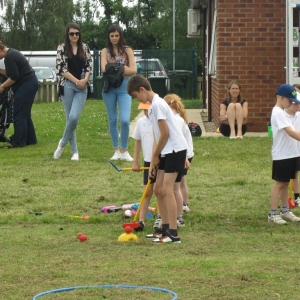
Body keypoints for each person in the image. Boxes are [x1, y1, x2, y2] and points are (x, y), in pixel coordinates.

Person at [127, 75, 188, 243]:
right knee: (158, 190)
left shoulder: (159, 104)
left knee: (167, 190)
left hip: (175, 149)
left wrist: (155, 155)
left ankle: (174, 234)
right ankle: (164, 229)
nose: (136, 99)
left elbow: (166, 133)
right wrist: (155, 158)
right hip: (165, 151)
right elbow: (157, 134)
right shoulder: (153, 106)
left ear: (142, 89)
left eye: (135, 96)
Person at [53, 22, 92, 161]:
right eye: (71, 33)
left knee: (74, 117)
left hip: (82, 86)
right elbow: (61, 69)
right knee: (70, 118)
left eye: (77, 33)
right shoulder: (62, 48)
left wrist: (85, 80)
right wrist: (76, 81)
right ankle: (75, 152)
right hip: (68, 85)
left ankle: (62, 144)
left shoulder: (85, 47)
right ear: (67, 35)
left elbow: (89, 66)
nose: (74, 36)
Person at [101, 24, 137, 162]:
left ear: (120, 36)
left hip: (124, 87)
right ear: (109, 37)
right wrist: (122, 68)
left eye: (117, 35)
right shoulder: (104, 51)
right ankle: (116, 150)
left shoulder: (128, 50)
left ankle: (125, 150)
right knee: (113, 119)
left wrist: (113, 68)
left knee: (125, 120)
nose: (114, 38)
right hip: (109, 88)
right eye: (112, 36)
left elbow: (133, 70)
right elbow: (104, 68)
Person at [269, 84, 300, 224]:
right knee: (279, 184)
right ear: (282, 98)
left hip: (291, 153)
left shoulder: (283, 112)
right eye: (290, 100)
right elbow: (291, 132)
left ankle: (285, 210)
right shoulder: (278, 112)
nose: (292, 103)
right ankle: (273, 213)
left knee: (286, 183)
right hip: (282, 155)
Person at [0, 40, 38, 148]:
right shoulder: (12, 52)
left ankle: (18, 142)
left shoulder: (9, 57)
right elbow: (10, 72)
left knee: (19, 114)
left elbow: (14, 77)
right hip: (32, 82)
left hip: (25, 84)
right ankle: (30, 139)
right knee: (25, 114)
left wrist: (2, 87)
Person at [164, 93, 193, 226]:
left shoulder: (176, 120)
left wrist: (185, 157)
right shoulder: (178, 119)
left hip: (182, 155)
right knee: (180, 183)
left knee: (177, 186)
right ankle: (182, 207)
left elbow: (180, 140)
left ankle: (179, 214)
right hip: (184, 154)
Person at [132, 101, 154, 231]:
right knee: (147, 192)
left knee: (162, 192)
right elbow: (138, 142)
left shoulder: (160, 121)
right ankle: (141, 221)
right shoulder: (141, 122)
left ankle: (163, 219)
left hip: (161, 161)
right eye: (144, 109)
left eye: (148, 109)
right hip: (148, 161)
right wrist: (135, 161)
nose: (146, 112)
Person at [284, 97, 300, 207]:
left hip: (298, 147)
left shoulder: (299, 115)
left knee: (296, 173)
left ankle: (297, 196)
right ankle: (294, 197)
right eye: (295, 103)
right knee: (292, 174)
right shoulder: (283, 115)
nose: (298, 105)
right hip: (289, 150)